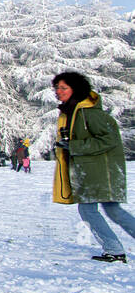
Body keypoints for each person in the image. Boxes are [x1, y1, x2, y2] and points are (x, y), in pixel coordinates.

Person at [52, 71, 132, 264]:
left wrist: (74, 146)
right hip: (94, 171)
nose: (58, 92)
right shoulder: (74, 111)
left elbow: (109, 140)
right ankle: (114, 249)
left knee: (88, 210)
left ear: (75, 89)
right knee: (113, 211)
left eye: (64, 88)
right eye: (57, 88)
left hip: (100, 171)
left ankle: (114, 250)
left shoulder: (90, 113)